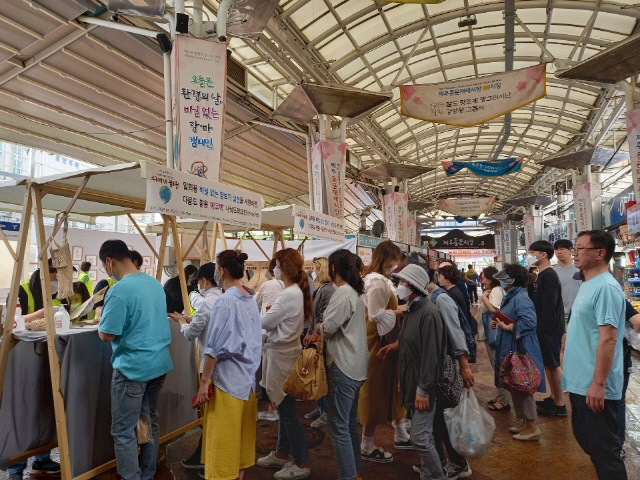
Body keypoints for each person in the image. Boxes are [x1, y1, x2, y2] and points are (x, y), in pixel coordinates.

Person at [98, 240, 173, 480]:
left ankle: (131, 477)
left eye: (104, 265)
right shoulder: (153, 284)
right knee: (149, 421)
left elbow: (107, 334)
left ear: (109, 262)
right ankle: (148, 473)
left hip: (132, 369)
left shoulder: (119, 290)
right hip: (158, 364)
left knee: (123, 431)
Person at [562, 230, 627, 479]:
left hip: (594, 387)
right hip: (580, 383)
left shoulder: (607, 288)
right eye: (574, 247)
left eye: (580, 248)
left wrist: (598, 384)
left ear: (600, 253)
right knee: (589, 443)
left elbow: (609, 338)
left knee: (605, 453)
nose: (574, 253)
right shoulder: (588, 284)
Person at [195, 250, 262, 480]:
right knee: (239, 450)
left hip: (227, 384)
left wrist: (204, 382)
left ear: (221, 271)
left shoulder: (226, 301)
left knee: (223, 451)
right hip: (247, 382)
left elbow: (213, 348)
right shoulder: (249, 298)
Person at [377, 264, 449, 480]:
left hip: (423, 385)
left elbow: (431, 355)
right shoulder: (411, 310)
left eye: (403, 283)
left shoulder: (429, 314)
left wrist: (423, 390)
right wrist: (396, 346)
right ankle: (428, 474)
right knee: (424, 435)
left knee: (419, 438)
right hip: (412, 379)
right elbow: (409, 338)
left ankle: (436, 475)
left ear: (415, 287)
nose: (399, 286)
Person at [310, 249, 367, 480]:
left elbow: (329, 327)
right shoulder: (353, 292)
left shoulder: (343, 293)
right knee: (348, 425)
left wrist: (317, 328)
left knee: (338, 427)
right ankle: (354, 471)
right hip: (356, 365)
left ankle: (348, 475)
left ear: (333, 269)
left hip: (343, 366)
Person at [256, 248, 312, 480]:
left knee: (287, 412)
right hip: (282, 354)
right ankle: (281, 452)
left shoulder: (290, 294)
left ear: (285, 266)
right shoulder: (293, 291)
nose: (274, 268)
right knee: (284, 407)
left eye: (277, 264)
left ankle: (301, 461)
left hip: (282, 357)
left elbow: (266, 321)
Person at [6, 259, 63, 480]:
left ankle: (41, 459)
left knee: (45, 407)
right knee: (24, 412)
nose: (58, 283)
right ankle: (15, 469)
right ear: (44, 275)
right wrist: (43, 312)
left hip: (45, 357)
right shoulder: (22, 291)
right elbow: (12, 322)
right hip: (22, 360)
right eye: (55, 277)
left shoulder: (53, 294)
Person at [168, 262, 222, 470]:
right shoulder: (225, 297)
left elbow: (192, 333)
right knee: (213, 414)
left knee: (208, 413)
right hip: (226, 367)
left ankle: (205, 459)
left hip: (211, 364)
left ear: (203, 281)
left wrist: (183, 323)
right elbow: (206, 321)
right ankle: (205, 456)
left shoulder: (208, 300)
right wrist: (187, 318)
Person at [359, 241, 409, 462]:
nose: (397, 265)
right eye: (395, 260)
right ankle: (367, 443)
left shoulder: (379, 280)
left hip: (383, 338)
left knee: (392, 386)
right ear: (387, 259)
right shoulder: (377, 283)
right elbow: (375, 315)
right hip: (378, 341)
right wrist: (400, 310)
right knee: (375, 388)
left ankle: (400, 432)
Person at [425, 268, 475, 478]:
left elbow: (456, 332)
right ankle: (440, 462)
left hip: (445, 367)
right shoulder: (426, 298)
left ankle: (455, 463)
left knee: (444, 417)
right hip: (435, 367)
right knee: (437, 418)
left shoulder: (441, 299)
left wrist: (464, 365)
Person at [492, 264, 545, 441]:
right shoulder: (512, 296)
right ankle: (523, 422)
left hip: (521, 349)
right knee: (514, 384)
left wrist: (509, 327)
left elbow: (529, 322)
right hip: (511, 346)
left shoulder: (521, 298)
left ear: (512, 280)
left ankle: (532, 426)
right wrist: (499, 322)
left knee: (523, 386)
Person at [526, 240, 567, 417]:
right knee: (549, 366)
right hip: (545, 328)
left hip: (549, 329)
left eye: (533, 253)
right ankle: (554, 397)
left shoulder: (548, 275)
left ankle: (560, 405)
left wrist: (543, 329)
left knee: (554, 365)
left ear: (543, 255)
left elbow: (550, 305)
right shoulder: (542, 274)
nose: (530, 256)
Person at [303, 256, 335, 429]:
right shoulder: (322, 289)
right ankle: (320, 407)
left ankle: (325, 412)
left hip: (322, 339)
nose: (313, 271)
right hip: (317, 335)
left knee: (323, 376)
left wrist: (314, 333)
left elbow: (323, 317)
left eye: (315, 268)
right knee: (319, 375)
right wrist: (310, 330)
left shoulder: (328, 290)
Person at [479, 266, 510, 412]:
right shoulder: (494, 290)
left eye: (484, 276)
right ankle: (501, 395)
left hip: (494, 332)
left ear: (491, 278)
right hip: (491, 332)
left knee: (498, 366)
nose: (482, 279)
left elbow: (494, 310)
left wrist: (484, 297)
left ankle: (504, 400)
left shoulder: (495, 291)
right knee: (496, 365)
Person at [436, 264, 476, 363]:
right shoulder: (455, 291)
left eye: (440, 276)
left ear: (448, 280)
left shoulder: (450, 295)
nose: (438, 279)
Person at [553, 238, 581, 366]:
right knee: (562, 348)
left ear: (571, 251)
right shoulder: (552, 271)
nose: (559, 252)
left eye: (562, 249)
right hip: (559, 317)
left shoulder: (579, 269)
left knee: (577, 347)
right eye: (556, 249)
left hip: (578, 316)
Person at [617, 301, 640, 458]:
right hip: (621, 356)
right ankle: (616, 444)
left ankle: (615, 444)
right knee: (617, 401)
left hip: (619, 357)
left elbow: (638, 321)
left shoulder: (614, 298)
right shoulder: (617, 298)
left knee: (616, 402)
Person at [94, 250, 143, 319]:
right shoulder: (104, 284)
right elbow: (97, 308)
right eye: (132, 268)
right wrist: (112, 314)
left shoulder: (139, 285)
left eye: (137, 268)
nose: (134, 271)